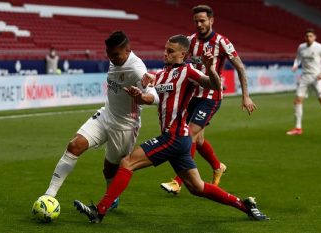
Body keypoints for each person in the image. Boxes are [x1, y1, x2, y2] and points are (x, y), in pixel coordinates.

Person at [73, 34, 269, 223]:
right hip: (179, 140)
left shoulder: (189, 71)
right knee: (197, 187)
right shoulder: (160, 75)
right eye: (165, 50)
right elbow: (148, 96)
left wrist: (210, 68)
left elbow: (215, 86)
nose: (165, 54)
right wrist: (138, 95)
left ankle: (99, 210)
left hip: (174, 137)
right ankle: (245, 206)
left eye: (171, 51)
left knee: (127, 162)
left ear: (183, 54)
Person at [41, 31, 158, 210]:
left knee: (109, 169)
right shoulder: (115, 59)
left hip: (125, 125)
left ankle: (110, 198)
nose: (111, 58)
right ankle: (49, 196)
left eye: (115, 55)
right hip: (105, 115)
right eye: (108, 54)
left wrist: (142, 96)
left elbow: (155, 97)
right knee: (74, 146)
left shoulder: (137, 69)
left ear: (128, 50)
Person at [161, 5, 257, 194]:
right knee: (200, 140)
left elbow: (240, 67)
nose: (199, 24)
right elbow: (178, 63)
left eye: (203, 20)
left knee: (189, 136)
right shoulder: (190, 42)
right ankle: (217, 166)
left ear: (211, 20)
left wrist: (245, 95)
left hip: (211, 97)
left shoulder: (222, 41)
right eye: (196, 21)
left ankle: (178, 182)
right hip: (192, 97)